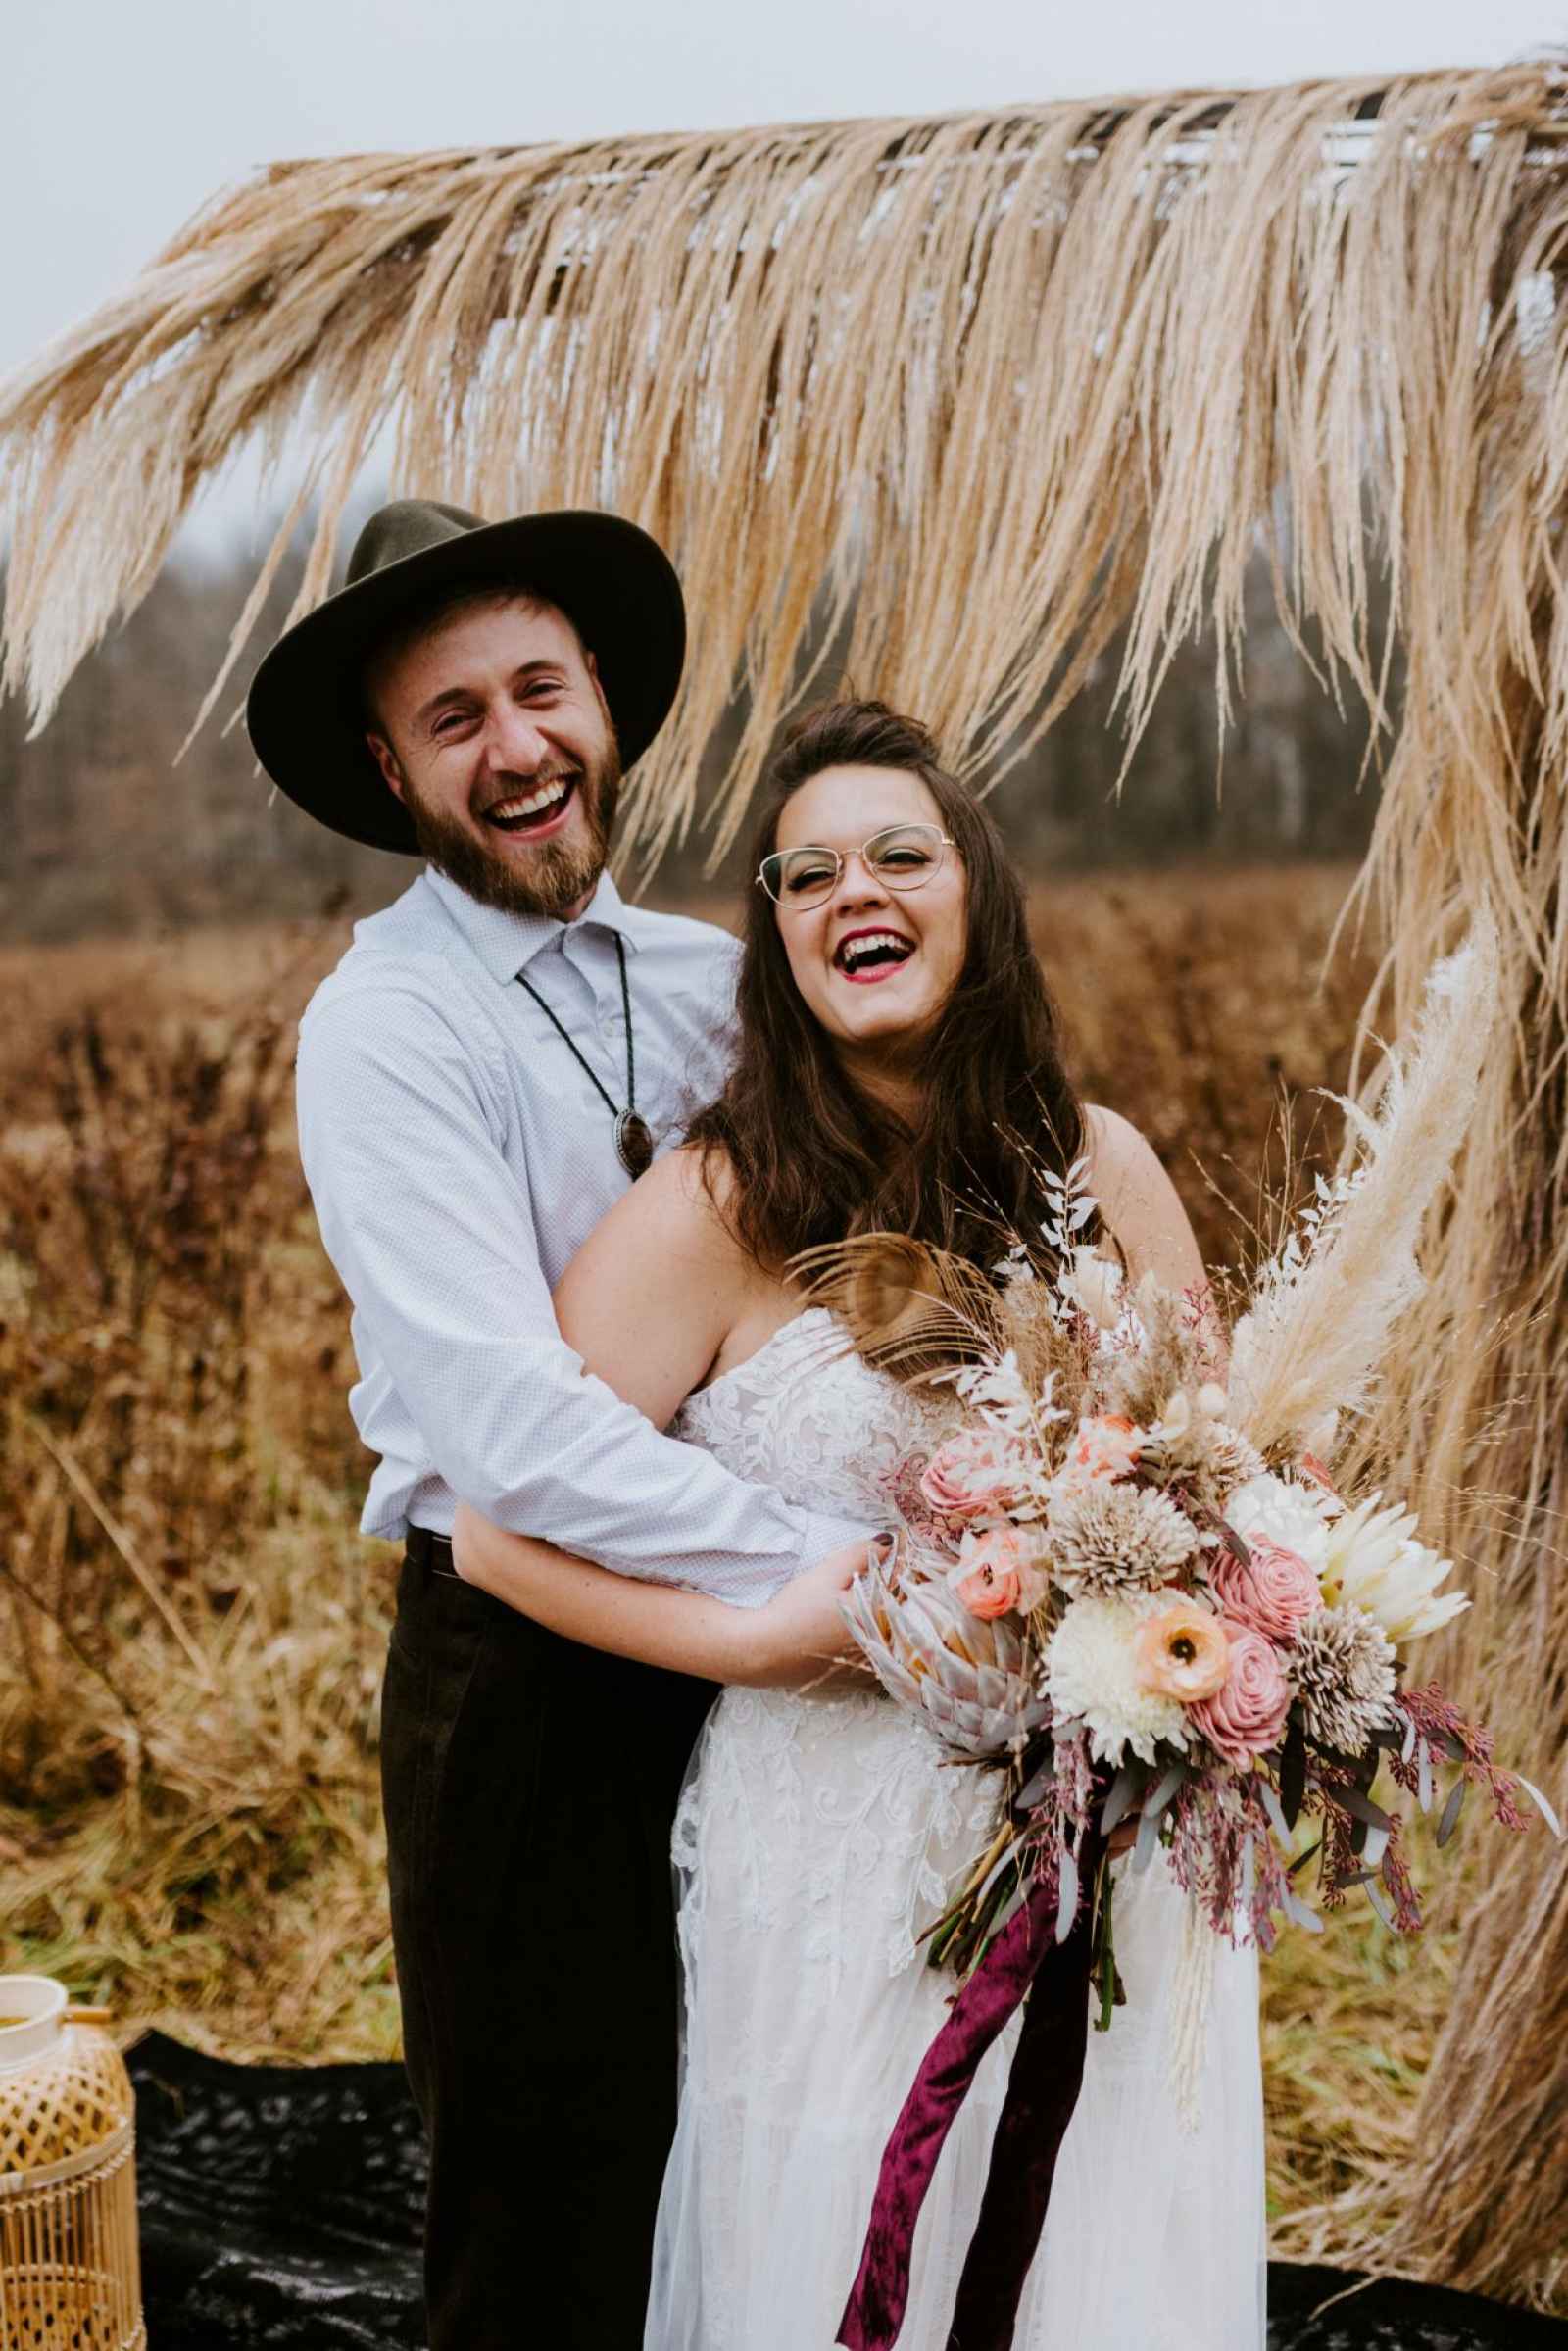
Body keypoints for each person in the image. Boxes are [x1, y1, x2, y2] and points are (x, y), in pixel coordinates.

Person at [452, 697, 1268, 2349]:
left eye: (901, 855)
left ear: (978, 895)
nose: (855, 893)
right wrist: (758, 1639)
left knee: (1103, 2241)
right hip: (831, 1849)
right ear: (776, 938)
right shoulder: (717, 1204)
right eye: (806, 874)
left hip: (1100, 1842)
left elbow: (1220, 1494)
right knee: (840, 2234)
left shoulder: (1102, 1168)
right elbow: (492, 1530)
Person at [244, 500, 877, 2351]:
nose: (516, 748)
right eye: (454, 719)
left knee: (745, 2150)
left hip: (769, 1681)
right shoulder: (386, 1030)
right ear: (392, 771)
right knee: (547, 2211)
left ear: (601, 698)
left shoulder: (718, 986)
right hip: (526, 1666)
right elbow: (510, 1430)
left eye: (540, 689)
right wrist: (835, 1578)